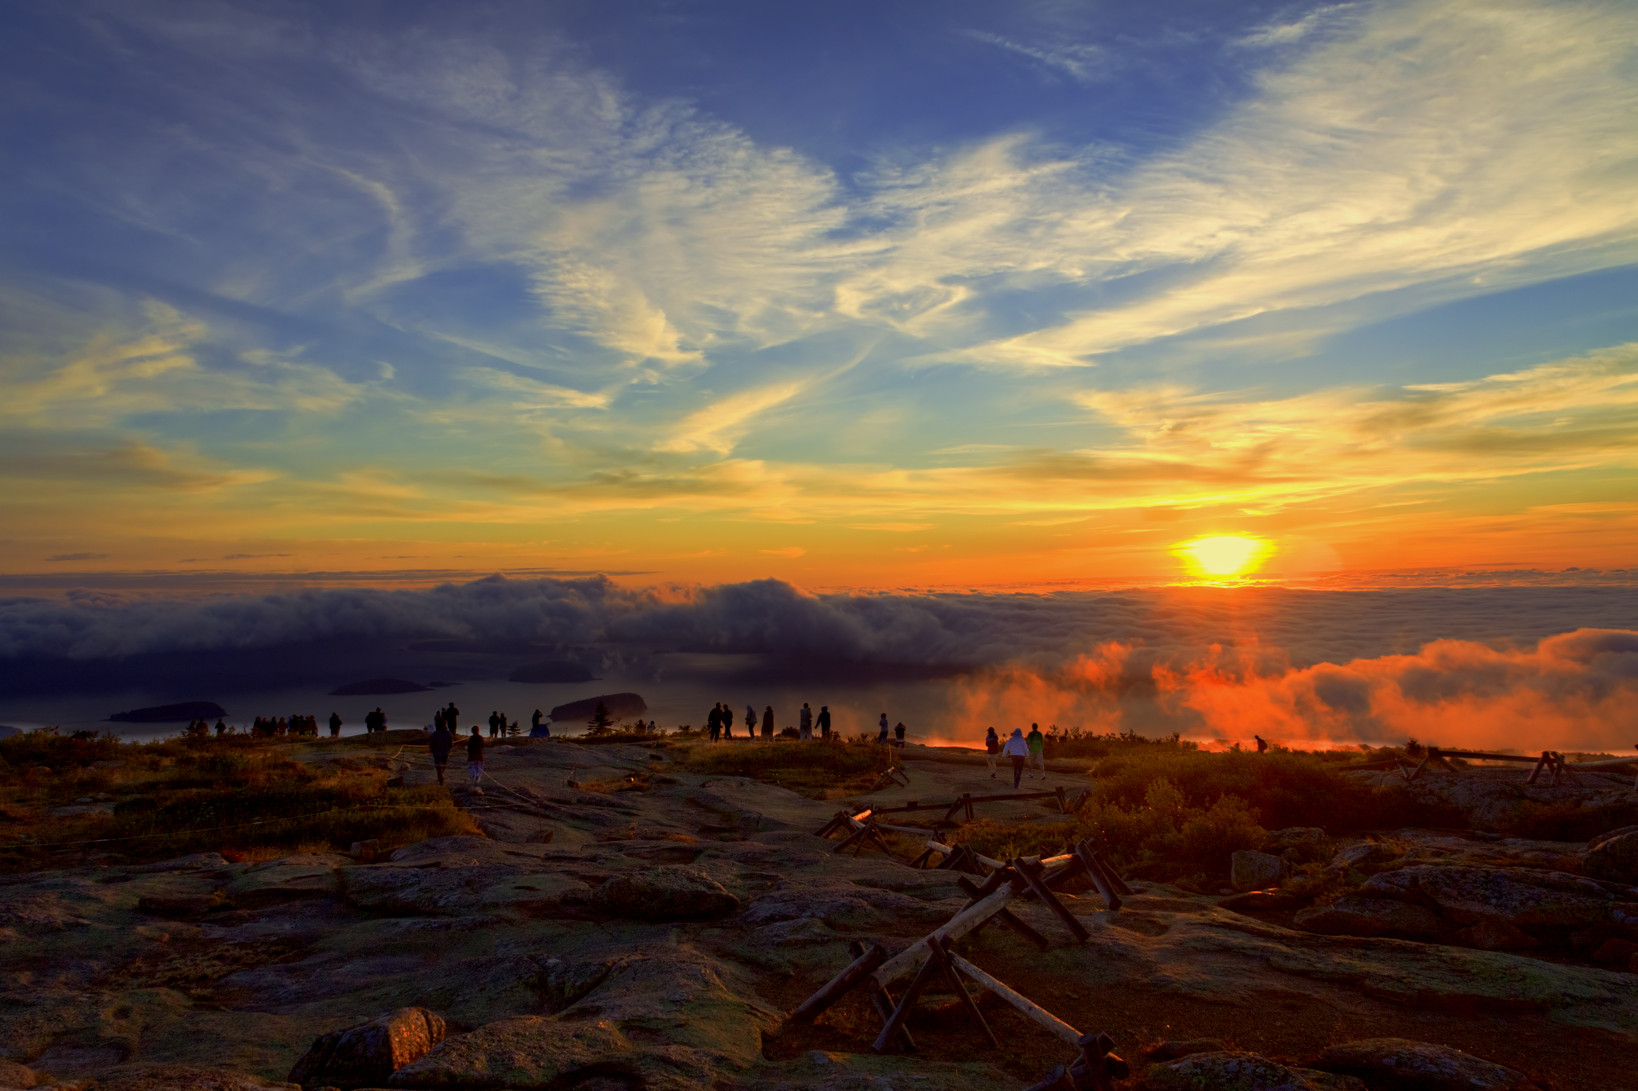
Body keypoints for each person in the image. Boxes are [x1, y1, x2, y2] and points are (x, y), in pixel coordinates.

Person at [429, 720, 454, 785]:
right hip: (445, 752)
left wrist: (432, 750)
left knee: (438, 768)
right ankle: (441, 779)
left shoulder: (435, 734)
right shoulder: (448, 733)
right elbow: (451, 744)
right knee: (442, 767)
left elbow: (431, 744)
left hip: (437, 753)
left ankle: (441, 780)